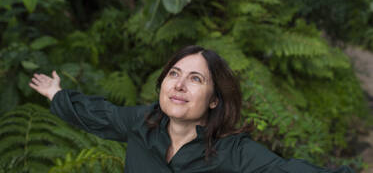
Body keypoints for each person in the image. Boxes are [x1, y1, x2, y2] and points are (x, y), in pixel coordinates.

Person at [29, 45, 354, 172]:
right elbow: (97, 114)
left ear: (214, 99)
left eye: (195, 79)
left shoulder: (233, 152)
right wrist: (56, 93)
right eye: (174, 74)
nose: (179, 85)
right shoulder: (141, 124)